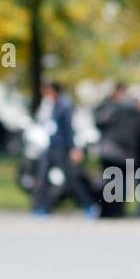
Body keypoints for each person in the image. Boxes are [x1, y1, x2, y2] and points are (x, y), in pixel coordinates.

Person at [33, 80, 95, 216]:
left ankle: (89, 205)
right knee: (42, 177)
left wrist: (74, 148)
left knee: (71, 178)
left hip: (63, 148)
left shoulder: (65, 105)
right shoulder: (52, 104)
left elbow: (70, 129)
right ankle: (42, 208)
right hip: (52, 146)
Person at [93, 82, 140, 219]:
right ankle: (118, 210)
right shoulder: (134, 108)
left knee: (109, 180)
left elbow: (99, 123)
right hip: (128, 150)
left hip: (111, 150)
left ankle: (108, 210)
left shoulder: (109, 107)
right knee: (122, 181)